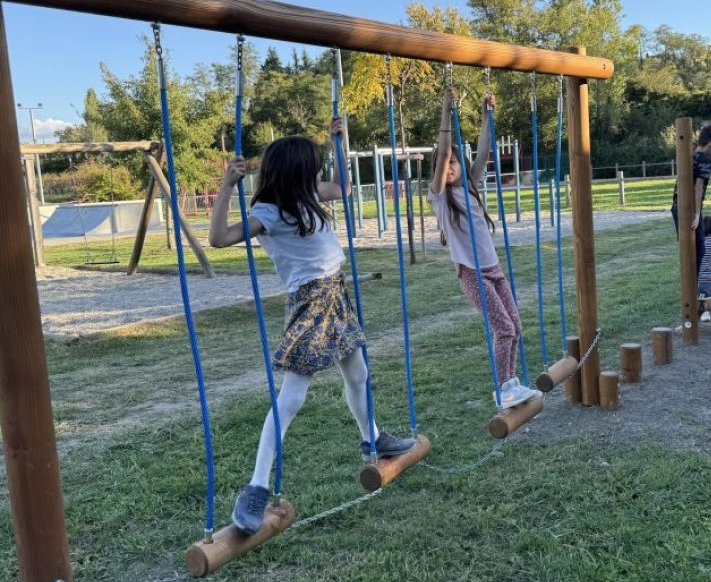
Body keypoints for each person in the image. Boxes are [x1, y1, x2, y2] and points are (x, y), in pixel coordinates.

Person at [209, 117, 416, 535]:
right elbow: (219, 238)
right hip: (310, 303)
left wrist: (341, 141)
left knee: (358, 374)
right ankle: (256, 486)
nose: (320, 173)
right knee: (291, 398)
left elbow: (344, 188)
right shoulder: (268, 212)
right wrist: (227, 186)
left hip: (336, 294)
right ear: (296, 172)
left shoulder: (308, 195)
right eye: (315, 167)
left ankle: (372, 438)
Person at [428, 86, 539, 410]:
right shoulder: (439, 197)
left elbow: (483, 150)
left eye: (454, 163)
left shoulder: (471, 187)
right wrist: (446, 113)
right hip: (472, 273)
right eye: (444, 164)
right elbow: (444, 151)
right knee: (503, 328)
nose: (449, 167)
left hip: (494, 270)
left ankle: (512, 383)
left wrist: (487, 114)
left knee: (515, 327)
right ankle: (504, 388)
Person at [671, 124, 711, 283]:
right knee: (698, 247)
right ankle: (693, 288)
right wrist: (697, 212)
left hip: (676, 206)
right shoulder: (704, 160)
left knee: (688, 248)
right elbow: (698, 187)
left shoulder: (691, 155)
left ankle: (691, 288)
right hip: (688, 208)